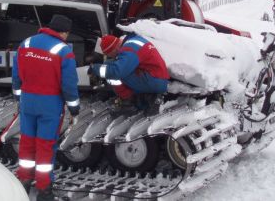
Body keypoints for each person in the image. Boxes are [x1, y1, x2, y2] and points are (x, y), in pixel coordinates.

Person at [12, 14, 80, 200]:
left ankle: (24, 180)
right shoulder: (64, 51)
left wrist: (19, 96)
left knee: (27, 142)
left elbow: (16, 75)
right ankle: (44, 189)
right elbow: (69, 84)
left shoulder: (26, 43)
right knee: (45, 146)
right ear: (64, 32)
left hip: (27, 102)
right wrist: (74, 107)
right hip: (49, 105)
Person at [90, 33, 169, 108]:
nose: (112, 57)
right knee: (111, 65)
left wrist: (95, 68)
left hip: (154, 81)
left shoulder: (128, 50)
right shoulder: (133, 42)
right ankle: (138, 96)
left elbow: (118, 72)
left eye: (110, 55)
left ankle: (128, 100)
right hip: (156, 77)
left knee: (111, 72)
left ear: (114, 50)